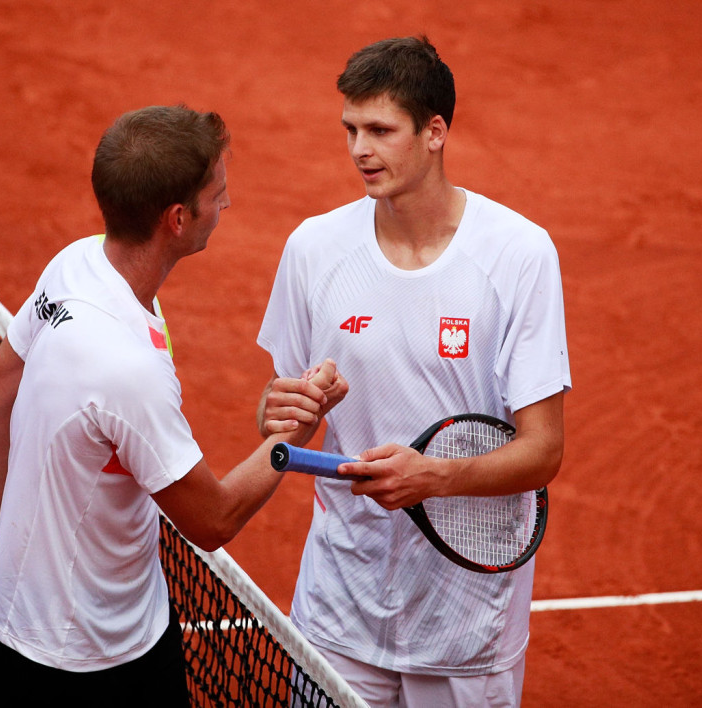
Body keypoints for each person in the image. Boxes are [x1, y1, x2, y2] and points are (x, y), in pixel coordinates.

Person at [0, 104, 347, 706]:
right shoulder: (126, 368)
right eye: (217, 194)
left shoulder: (78, 264)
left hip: (17, 631)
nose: (226, 205)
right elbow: (211, 521)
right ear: (177, 218)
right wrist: (286, 441)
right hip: (87, 671)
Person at [256, 37, 571, 707]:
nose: (359, 150)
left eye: (380, 130)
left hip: (465, 619)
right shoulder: (314, 249)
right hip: (340, 606)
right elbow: (281, 413)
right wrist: (285, 411)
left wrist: (434, 476)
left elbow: (543, 450)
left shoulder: (518, 256)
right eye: (350, 130)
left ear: (434, 132)